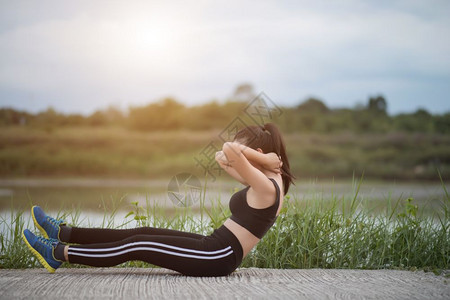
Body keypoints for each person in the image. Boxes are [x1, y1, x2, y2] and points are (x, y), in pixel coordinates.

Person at [22, 123, 295, 277]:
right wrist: (263, 158)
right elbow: (222, 158)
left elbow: (228, 150)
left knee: (138, 245)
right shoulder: (270, 181)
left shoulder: (267, 187)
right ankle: (63, 232)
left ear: (258, 153)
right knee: (142, 232)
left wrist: (259, 157)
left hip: (218, 256)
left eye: (250, 154)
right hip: (214, 245)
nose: (244, 158)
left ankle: (58, 253)